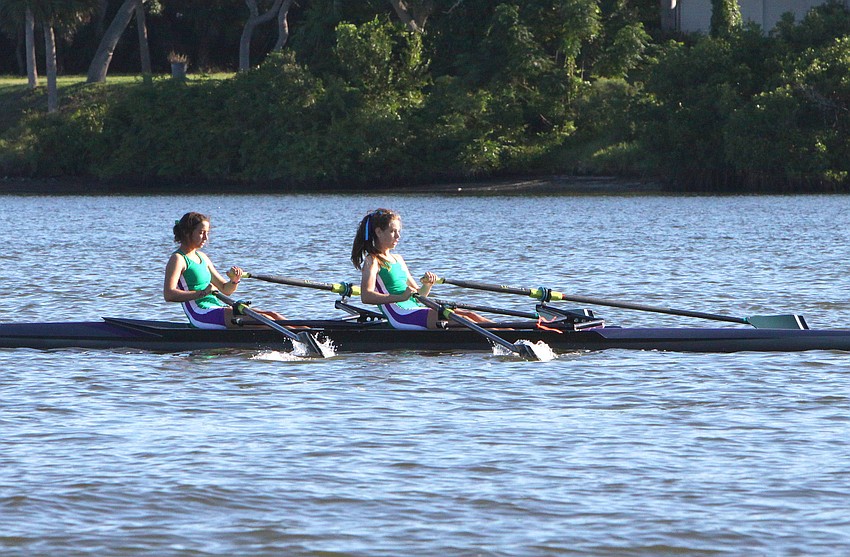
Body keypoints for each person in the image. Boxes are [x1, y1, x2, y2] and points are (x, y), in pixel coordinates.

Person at [351, 208, 488, 330]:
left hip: (416, 307)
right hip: (399, 314)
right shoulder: (372, 261)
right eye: (393, 232)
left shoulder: (398, 259)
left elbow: (419, 295)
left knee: (470, 314)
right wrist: (400, 297)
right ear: (379, 232)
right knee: (463, 321)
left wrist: (427, 285)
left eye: (398, 231)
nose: (398, 236)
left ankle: (508, 333)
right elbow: (366, 296)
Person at [164, 212, 285, 329]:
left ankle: (302, 332)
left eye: (207, 233)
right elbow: (169, 294)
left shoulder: (202, 257)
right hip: (199, 313)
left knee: (273, 315)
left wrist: (234, 280)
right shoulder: (178, 259)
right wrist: (203, 293)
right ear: (187, 233)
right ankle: (294, 341)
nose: (206, 238)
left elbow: (225, 289)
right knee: (264, 320)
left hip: (217, 306)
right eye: (201, 233)